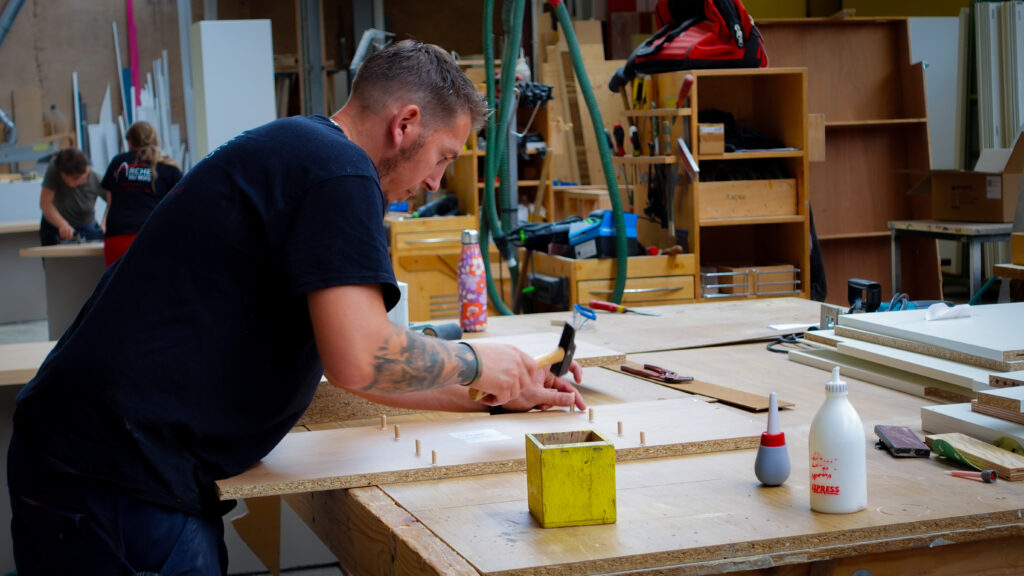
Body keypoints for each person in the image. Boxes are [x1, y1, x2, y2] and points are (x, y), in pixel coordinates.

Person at [9, 40, 586, 574]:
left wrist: (496, 396)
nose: (437, 180)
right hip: (117, 482)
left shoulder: (305, 151)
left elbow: (359, 370)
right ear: (405, 123)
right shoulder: (339, 172)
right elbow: (363, 358)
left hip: (93, 465)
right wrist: (477, 362)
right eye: (442, 155)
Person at [101, 121, 184, 266]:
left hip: (118, 236)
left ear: (130, 142)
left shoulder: (118, 163)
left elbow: (110, 203)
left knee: (118, 287)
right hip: (152, 235)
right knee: (153, 286)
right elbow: (180, 206)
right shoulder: (169, 167)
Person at [38, 147, 109, 245]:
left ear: (86, 171)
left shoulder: (97, 179)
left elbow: (114, 202)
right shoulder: (55, 166)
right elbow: (45, 204)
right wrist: (63, 225)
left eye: (76, 179)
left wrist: (105, 223)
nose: (71, 184)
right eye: (66, 179)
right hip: (55, 226)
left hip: (86, 227)